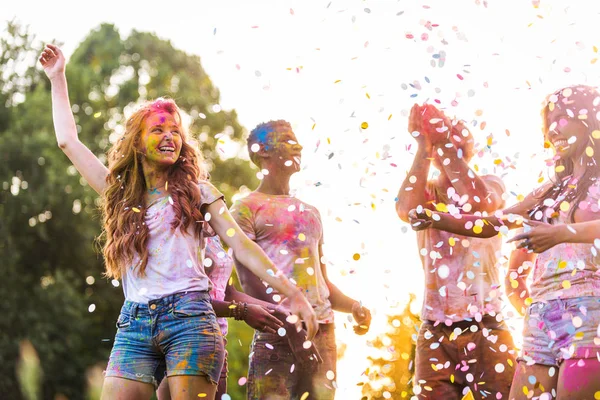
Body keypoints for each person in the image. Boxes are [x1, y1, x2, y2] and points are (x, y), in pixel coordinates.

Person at [39, 44, 317, 400]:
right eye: (157, 130)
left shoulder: (198, 193)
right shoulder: (120, 194)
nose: (169, 136)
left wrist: (293, 293)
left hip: (190, 319)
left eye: (174, 130)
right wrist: (57, 77)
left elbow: (242, 246)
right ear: (137, 144)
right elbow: (67, 141)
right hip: (134, 323)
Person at [408, 85, 600, 399]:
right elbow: (492, 224)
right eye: (548, 120)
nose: (553, 128)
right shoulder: (553, 187)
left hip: (590, 313)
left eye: (563, 117)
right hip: (542, 317)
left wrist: (562, 233)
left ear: (589, 120)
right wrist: (435, 219)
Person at [229, 119, 372, 400]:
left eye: (297, 140)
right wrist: (289, 327)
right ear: (262, 152)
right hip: (277, 335)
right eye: (286, 140)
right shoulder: (245, 208)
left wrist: (354, 305)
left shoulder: (311, 212)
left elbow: (322, 283)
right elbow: (249, 284)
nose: (299, 146)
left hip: (323, 334)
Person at [395, 103, 516, 399]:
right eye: (445, 140)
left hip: (486, 325)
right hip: (435, 329)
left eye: (459, 140)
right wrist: (424, 143)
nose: (451, 145)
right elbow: (405, 209)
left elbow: (478, 203)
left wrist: (444, 142)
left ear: (473, 149)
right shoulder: (427, 192)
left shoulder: (490, 183)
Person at [157, 235, 322, 400]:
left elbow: (228, 293)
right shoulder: (178, 235)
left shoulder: (211, 233)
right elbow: (184, 299)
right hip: (184, 346)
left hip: (215, 345)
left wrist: (282, 311)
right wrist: (242, 311)